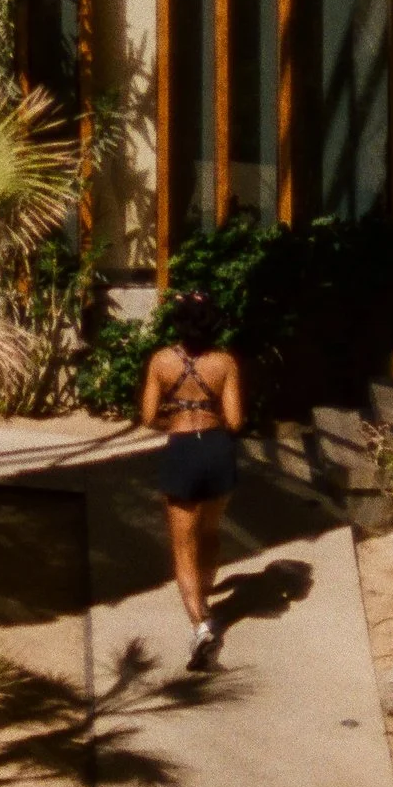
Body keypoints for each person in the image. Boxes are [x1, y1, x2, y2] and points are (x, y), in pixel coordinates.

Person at [138, 287, 245, 669]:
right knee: (211, 534)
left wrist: (176, 416)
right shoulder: (225, 363)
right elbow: (234, 420)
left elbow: (148, 416)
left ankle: (201, 626)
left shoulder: (161, 361)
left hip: (182, 450)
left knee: (183, 548)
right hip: (217, 449)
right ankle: (205, 593)